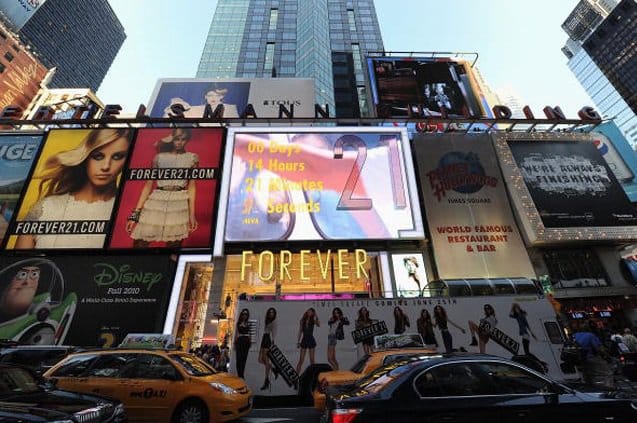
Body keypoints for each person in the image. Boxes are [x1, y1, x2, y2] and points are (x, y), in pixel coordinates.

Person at [15, 129, 132, 249]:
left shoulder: (128, 210)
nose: (106, 166)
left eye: (117, 157)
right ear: (86, 156)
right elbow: (20, 263)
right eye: (98, 156)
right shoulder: (46, 207)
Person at [126, 128, 199, 248]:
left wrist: (192, 214)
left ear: (187, 140)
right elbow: (148, 184)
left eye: (183, 139)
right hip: (157, 199)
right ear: (172, 139)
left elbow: (192, 185)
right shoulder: (159, 157)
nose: (179, 142)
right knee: (140, 244)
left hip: (179, 201)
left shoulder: (192, 158)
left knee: (174, 245)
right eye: (176, 139)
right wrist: (135, 214)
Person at [573, 323, 614, 389]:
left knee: (587, 373)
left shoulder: (575, 335)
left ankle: (589, 387)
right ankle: (609, 387)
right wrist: (607, 356)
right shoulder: (590, 335)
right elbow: (599, 348)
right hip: (590, 357)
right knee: (608, 372)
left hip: (579, 358)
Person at [164, 86, 239, 118]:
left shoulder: (230, 108)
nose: (213, 98)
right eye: (210, 95)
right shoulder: (197, 109)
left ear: (221, 96)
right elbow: (169, 115)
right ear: (205, 97)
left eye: (216, 95)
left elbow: (237, 126)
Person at [296, 308, 320, 376]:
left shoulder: (313, 320)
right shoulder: (302, 320)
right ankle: (296, 376)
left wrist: (316, 316)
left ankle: (314, 376)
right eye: (308, 311)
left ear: (313, 313)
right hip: (304, 340)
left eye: (311, 312)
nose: (309, 313)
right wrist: (298, 341)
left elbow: (318, 324)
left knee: (312, 360)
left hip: (311, 339)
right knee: (301, 360)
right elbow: (300, 331)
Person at [258, 307, 277, 391]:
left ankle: (266, 381)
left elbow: (273, 332)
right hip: (263, 339)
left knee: (265, 360)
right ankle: (273, 369)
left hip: (267, 339)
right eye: (270, 312)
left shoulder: (273, 322)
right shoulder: (266, 320)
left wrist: (273, 341)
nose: (271, 314)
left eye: (272, 312)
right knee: (260, 360)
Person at [234, 308, 251, 379]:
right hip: (240, 341)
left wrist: (250, 342)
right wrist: (234, 343)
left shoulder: (248, 323)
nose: (245, 315)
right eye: (243, 314)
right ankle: (239, 374)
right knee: (238, 358)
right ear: (241, 314)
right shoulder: (238, 323)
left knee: (244, 358)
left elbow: (250, 334)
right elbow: (236, 333)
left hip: (246, 341)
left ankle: (242, 375)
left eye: (246, 314)